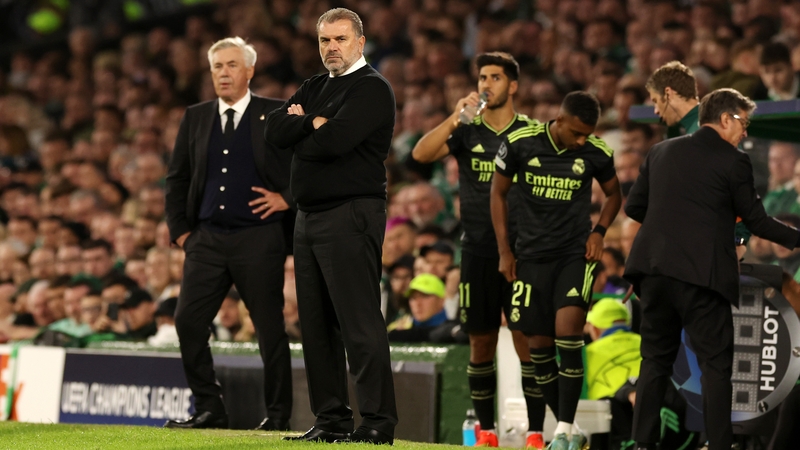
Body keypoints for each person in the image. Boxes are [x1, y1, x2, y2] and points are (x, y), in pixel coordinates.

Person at [623, 88, 800, 450]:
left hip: (653, 273)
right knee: (716, 367)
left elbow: (634, 208)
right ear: (725, 119)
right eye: (743, 124)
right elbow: (757, 220)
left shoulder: (660, 151)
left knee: (654, 361)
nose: (745, 133)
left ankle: (641, 445)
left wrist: (670, 229)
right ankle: (720, 446)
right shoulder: (732, 160)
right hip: (701, 277)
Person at [265, 8, 397, 445]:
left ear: (360, 42)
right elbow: (274, 131)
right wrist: (309, 122)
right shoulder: (314, 86)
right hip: (308, 217)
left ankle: (377, 422)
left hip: (351, 214)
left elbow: (336, 141)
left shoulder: (372, 89)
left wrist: (303, 129)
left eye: (340, 39)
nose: (331, 48)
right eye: (325, 40)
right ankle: (330, 420)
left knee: (358, 321)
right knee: (316, 324)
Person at [411, 52, 548, 449]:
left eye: (496, 77)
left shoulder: (531, 133)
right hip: (476, 251)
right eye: (482, 77)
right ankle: (486, 434)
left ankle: (536, 432)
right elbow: (420, 155)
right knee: (481, 342)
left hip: (522, 253)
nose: (487, 84)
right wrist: (456, 117)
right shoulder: (467, 131)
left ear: (514, 85)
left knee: (526, 340)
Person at [165, 36, 294, 431]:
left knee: (269, 327)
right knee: (187, 321)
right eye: (217, 66)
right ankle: (210, 408)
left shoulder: (274, 113)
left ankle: (277, 415)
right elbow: (178, 176)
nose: (223, 72)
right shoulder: (197, 116)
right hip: (206, 239)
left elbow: (305, 163)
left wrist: (287, 198)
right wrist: (182, 233)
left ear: (250, 71)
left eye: (232, 65)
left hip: (259, 238)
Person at [491, 91, 622, 450]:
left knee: (568, 334)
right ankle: (571, 429)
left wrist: (599, 232)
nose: (582, 140)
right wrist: (505, 251)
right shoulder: (520, 143)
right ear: (560, 120)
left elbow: (614, 194)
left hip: (574, 256)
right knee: (538, 347)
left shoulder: (597, 152)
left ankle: (562, 428)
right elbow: (498, 194)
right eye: (577, 133)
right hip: (530, 258)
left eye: (587, 133)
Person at [387, 273, 467, 344]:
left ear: (441, 300)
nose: (417, 303)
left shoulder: (458, 329)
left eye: (425, 296)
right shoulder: (397, 329)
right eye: (413, 298)